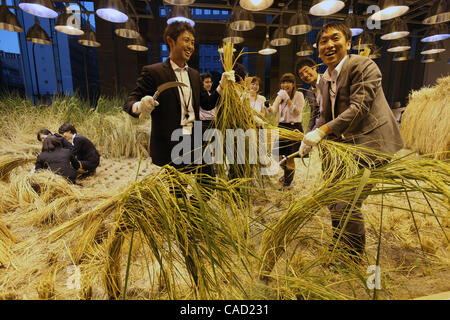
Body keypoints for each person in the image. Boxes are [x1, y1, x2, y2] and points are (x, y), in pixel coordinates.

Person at [123, 21, 234, 285]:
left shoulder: (195, 75)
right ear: (171, 41)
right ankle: (183, 234)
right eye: (186, 40)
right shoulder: (153, 72)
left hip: (195, 141)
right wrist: (142, 105)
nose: (191, 46)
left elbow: (204, 105)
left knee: (208, 182)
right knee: (176, 190)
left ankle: (187, 217)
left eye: (193, 42)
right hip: (170, 143)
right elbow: (129, 102)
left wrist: (221, 87)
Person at [301, 22, 403, 264]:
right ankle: (340, 245)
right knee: (333, 198)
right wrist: (309, 138)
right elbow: (324, 115)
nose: (328, 44)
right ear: (318, 50)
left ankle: (353, 259)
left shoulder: (364, 66)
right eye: (323, 41)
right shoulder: (324, 80)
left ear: (348, 43)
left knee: (346, 202)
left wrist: (322, 131)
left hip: (371, 144)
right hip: (344, 148)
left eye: (335, 38)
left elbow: (359, 108)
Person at [267, 73, 304, 189]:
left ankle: (287, 184)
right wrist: (267, 106)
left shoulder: (299, 95)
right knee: (276, 154)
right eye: (283, 82)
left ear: (293, 84)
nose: (285, 84)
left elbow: (297, 112)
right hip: (282, 127)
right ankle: (287, 174)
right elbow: (273, 111)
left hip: (294, 129)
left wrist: (287, 99)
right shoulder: (280, 95)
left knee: (289, 157)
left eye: (288, 82)